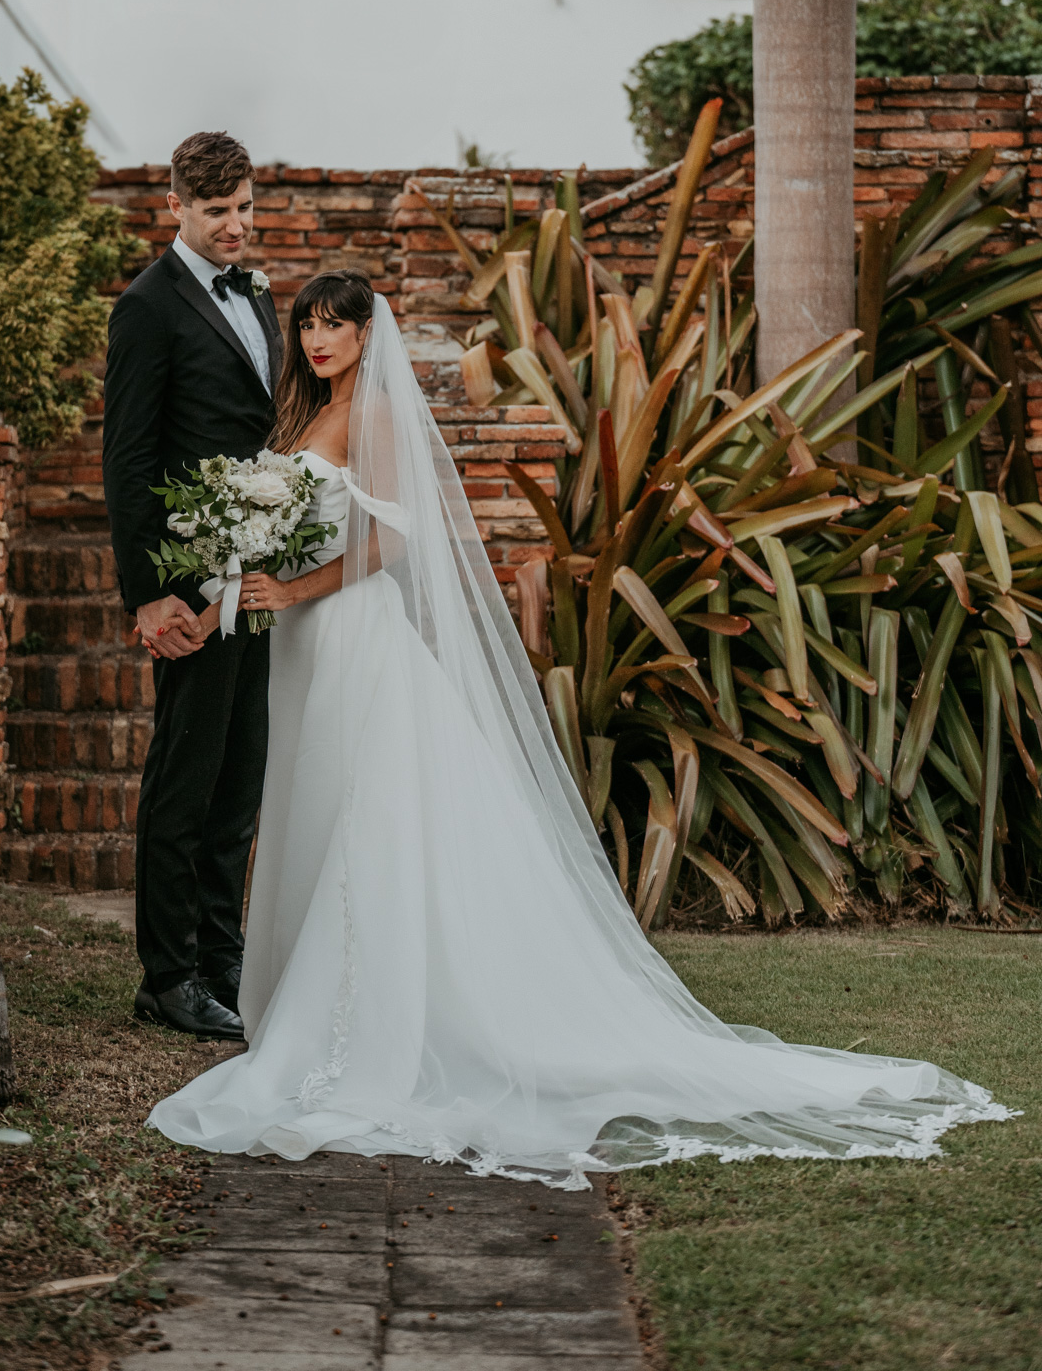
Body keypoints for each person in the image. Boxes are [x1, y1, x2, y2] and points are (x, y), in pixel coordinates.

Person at [148, 269, 1011, 1184]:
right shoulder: (301, 418)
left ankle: (373, 1021)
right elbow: (274, 547)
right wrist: (212, 613)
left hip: (354, 640)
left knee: (371, 824)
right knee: (315, 816)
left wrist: (299, 590)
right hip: (300, 648)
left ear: (369, 334)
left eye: (336, 326)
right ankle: (311, 1012)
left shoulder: (379, 420)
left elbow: (392, 541)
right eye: (309, 326)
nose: (319, 339)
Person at [102, 131, 282, 1042]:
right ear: (176, 206)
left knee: (240, 777)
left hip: (256, 577)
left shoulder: (258, 293)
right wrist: (146, 595)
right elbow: (128, 458)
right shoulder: (146, 306)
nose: (237, 227)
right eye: (218, 212)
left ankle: (221, 960)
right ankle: (165, 975)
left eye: (246, 208)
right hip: (188, 586)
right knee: (185, 777)